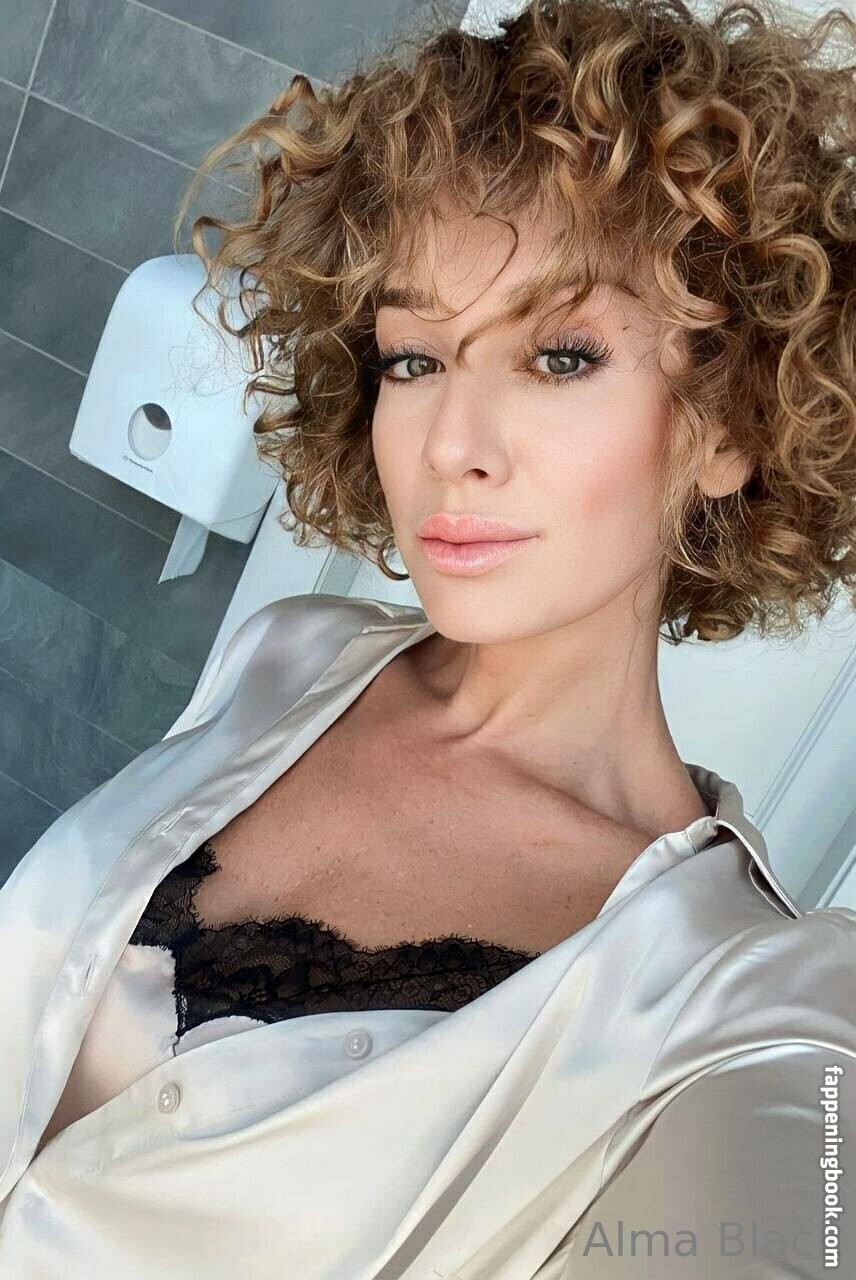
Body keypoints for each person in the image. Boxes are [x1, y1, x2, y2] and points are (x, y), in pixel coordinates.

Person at [1, 0, 854, 1275]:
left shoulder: (750, 1003)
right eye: (413, 358)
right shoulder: (289, 652)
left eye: (559, 356)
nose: (453, 443)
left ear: (728, 427)